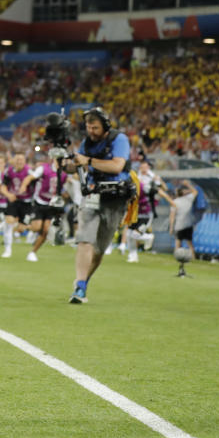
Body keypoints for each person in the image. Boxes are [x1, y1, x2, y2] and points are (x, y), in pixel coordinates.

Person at [70, 107, 133, 304]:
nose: (91, 131)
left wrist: (88, 160)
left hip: (115, 198)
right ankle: (80, 287)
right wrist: (64, 163)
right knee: (84, 239)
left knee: (99, 249)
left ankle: (84, 281)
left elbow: (116, 166)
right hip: (93, 194)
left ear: (105, 126)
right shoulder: (86, 143)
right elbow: (76, 166)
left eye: (95, 127)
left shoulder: (119, 139)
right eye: (88, 127)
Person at [21, 155, 80, 262]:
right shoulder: (43, 168)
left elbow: (72, 180)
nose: (63, 163)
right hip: (39, 202)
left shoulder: (64, 173)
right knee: (37, 227)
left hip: (52, 204)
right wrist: (23, 186)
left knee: (45, 230)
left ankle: (32, 252)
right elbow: (30, 177)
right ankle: (24, 227)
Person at [123, 160, 173, 263]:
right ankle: (133, 255)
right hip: (135, 210)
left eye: (145, 166)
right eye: (142, 166)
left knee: (135, 234)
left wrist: (171, 201)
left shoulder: (150, 180)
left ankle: (149, 237)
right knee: (129, 234)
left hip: (146, 211)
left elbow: (161, 190)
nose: (143, 168)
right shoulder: (137, 177)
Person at [0, 152, 34, 257]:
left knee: (22, 228)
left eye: (21, 160)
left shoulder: (29, 172)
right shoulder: (9, 171)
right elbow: (3, 186)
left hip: (26, 202)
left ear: (25, 162)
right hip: (13, 200)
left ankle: (8, 228)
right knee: (9, 222)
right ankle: (7, 250)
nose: (19, 162)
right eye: (17, 159)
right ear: (14, 161)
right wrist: (8, 194)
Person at [169, 180, 199, 260]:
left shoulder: (182, 200)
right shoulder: (184, 199)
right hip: (184, 225)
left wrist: (171, 227)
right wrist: (188, 185)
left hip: (182, 225)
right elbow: (195, 192)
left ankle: (180, 257)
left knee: (180, 243)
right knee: (187, 243)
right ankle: (191, 258)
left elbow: (172, 216)